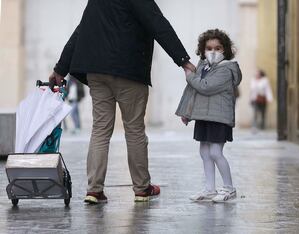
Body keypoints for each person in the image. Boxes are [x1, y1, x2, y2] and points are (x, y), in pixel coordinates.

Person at [49, 0, 196, 204]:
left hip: (97, 71)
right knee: (134, 129)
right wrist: (183, 60)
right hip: (129, 70)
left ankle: (94, 190)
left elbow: (81, 31)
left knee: (100, 129)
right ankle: (142, 188)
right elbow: (157, 23)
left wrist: (60, 69)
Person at [176, 29, 242, 202]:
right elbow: (193, 93)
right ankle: (209, 189)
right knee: (204, 152)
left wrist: (189, 76)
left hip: (219, 118)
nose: (213, 51)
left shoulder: (225, 69)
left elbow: (205, 87)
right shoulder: (204, 67)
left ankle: (229, 188)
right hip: (204, 117)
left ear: (225, 50)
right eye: (209, 48)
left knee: (215, 152)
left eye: (218, 48)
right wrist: (187, 113)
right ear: (203, 50)